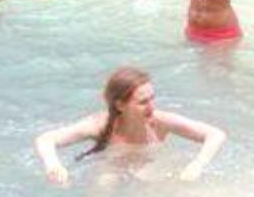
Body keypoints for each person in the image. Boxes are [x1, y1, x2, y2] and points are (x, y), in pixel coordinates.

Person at [33, 67, 226, 186]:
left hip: (150, 166)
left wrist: (197, 165)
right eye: (143, 102)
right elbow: (46, 139)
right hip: (112, 167)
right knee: (104, 184)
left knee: (156, 184)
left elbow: (215, 134)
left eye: (152, 98)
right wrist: (54, 165)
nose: (151, 106)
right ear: (120, 105)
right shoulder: (98, 125)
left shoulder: (160, 122)